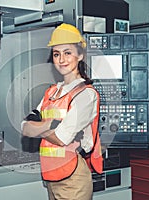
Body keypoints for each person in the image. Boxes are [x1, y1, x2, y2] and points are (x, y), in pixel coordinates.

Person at [22, 23, 103, 200]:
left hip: (72, 177)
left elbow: (62, 137)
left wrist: (40, 126)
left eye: (68, 53)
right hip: (51, 174)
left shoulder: (85, 94)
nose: (61, 59)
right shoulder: (51, 92)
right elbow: (25, 127)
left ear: (80, 55)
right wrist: (51, 125)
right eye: (56, 54)